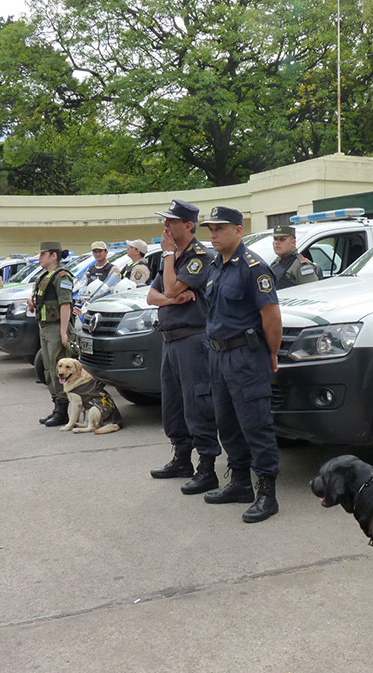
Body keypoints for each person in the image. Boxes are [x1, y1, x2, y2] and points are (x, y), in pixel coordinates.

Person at [200, 206, 283, 523]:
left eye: (220, 228)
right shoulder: (216, 266)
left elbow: (271, 317)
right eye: (210, 228)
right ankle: (239, 483)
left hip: (246, 356)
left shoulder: (253, 268)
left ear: (238, 230)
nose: (213, 234)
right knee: (227, 422)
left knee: (255, 424)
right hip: (219, 355)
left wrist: (271, 352)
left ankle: (267, 493)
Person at [147, 199, 221, 494]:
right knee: (174, 403)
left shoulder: (198, 256)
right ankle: (181, 458)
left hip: (193, 339)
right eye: (165, 221)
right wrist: (170, 299)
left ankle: (207, 467)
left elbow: (172, 286)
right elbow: (153, 296)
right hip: (171, 340)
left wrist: (167, 259)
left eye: (171, 222)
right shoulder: (174, 256)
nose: (165, 226)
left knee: (197, 402)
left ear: (188, 225)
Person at [28, 241, 75, 427]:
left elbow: (65, 305)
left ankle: (62, 410)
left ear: (53, 255)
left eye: (42, 254)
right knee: (49, 370)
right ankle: (56, 406)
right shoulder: (44, 277)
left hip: (56, 328)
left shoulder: (62, 276)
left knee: (59, 371)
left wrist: (64, 333)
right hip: (44, 327)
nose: (39, 258)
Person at [75, 241, 120, 316]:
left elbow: (114, 288)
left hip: (104, 304)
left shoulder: (113, 269)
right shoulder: (90, 269)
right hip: (89, 302)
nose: (98, 254)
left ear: (106, 252)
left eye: (100, 251)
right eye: (95, 252)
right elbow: (83, 284)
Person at [270, 224, 321, 290]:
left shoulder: (301, 266)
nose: (277, 242)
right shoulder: (275, 263)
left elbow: (312, 292)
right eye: (275, 239)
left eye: (282, 239)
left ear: (293, 243)